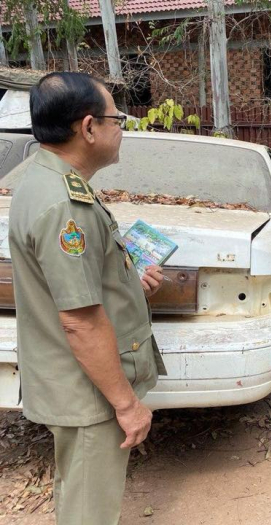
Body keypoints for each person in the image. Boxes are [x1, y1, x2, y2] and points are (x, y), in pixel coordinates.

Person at [8, 72, 167, 524]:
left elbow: (71, 286)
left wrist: (129, 285)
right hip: (88, 391)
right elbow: (79, 320)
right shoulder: (65, 205)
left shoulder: (47, 179)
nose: (122, 129)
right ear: (89, 128)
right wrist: (127, 404)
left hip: (76, 381)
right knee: (88, 512)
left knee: (79, 495)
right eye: (117, 119)